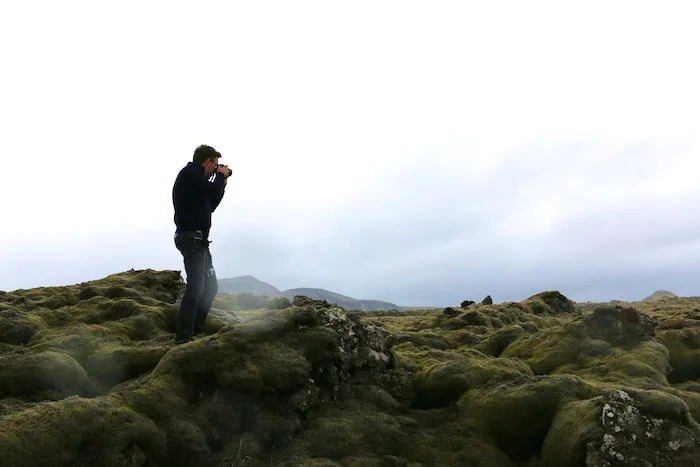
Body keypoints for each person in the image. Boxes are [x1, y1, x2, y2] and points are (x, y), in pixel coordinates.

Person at [171, 144, 231, 344]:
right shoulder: (190, 173)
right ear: (207, 161)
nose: (216, 168)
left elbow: (211, 204)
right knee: (196, 287)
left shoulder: (198, 183)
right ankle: (183, 338)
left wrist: (221, 181)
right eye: (215, 164)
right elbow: (212, 192)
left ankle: (196, 330)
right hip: (191, 238)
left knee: (210, 287)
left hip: (200, 241)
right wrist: (220, 177)